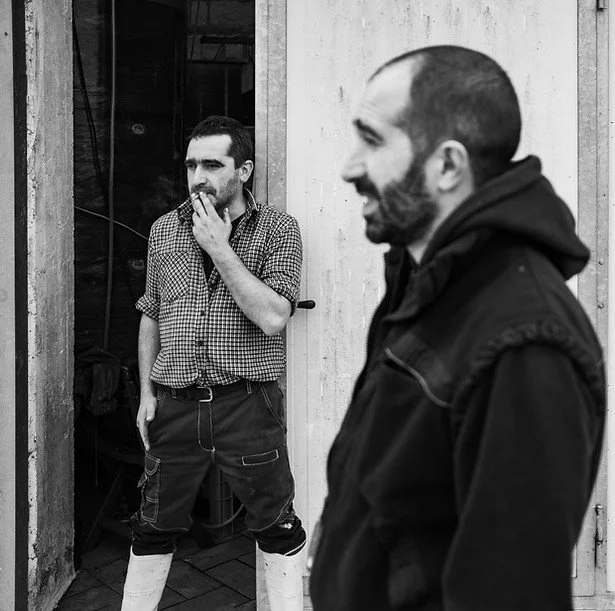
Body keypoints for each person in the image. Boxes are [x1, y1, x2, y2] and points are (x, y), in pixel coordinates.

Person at [308, 46, 605, 610]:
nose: (349, 167)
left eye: (372, 140)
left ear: (447, 165)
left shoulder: (524, 342)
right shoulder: (425, 279)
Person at [121, 115, 306, 610]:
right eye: (190, 166)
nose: (197, 177)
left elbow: (273, 317)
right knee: (153, 525)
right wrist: (146, 393)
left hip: (246, 404)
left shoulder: (278, 229)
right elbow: (151, 313)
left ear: (243, 170)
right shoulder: (164, 230)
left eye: (211, 165)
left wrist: (219, 248)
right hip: (175, 404)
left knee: (276, 525)